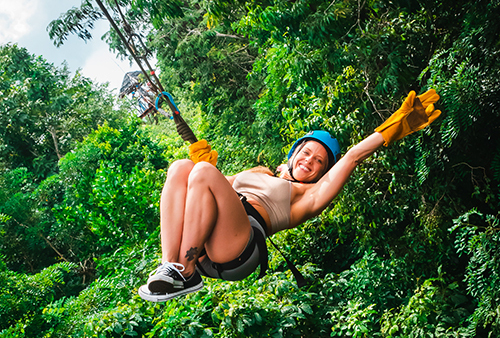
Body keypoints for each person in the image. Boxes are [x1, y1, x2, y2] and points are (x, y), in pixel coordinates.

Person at [138, 89, 441, 302]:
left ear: (323, 173)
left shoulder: (309, 196)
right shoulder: (259, 172)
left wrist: (390, 130)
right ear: (293, 154)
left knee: (202, 172)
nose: (310, 160)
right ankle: (171, 266)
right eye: (306, 153)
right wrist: (204, 162)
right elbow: (208, 183)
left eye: (319, 161)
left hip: (239, 249)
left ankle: (185, 271)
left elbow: (351, 157)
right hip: (209, 233)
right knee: (182, 167)